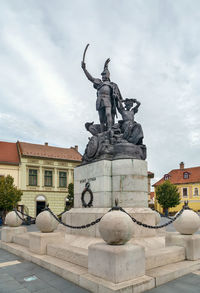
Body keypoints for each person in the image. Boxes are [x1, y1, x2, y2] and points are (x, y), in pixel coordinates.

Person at [81, 59, 122, 132]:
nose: (102, 76)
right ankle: (103, 132)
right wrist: (84, 69)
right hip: (99, 100)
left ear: (108, 76)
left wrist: (106, 65)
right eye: (102, 75)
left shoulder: (112, 84)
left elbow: (118, 96)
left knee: (108, 114)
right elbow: (90, 78)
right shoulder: (99, 82)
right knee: (101, 118)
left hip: (108, 99)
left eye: (104, 75)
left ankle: (109, 129)